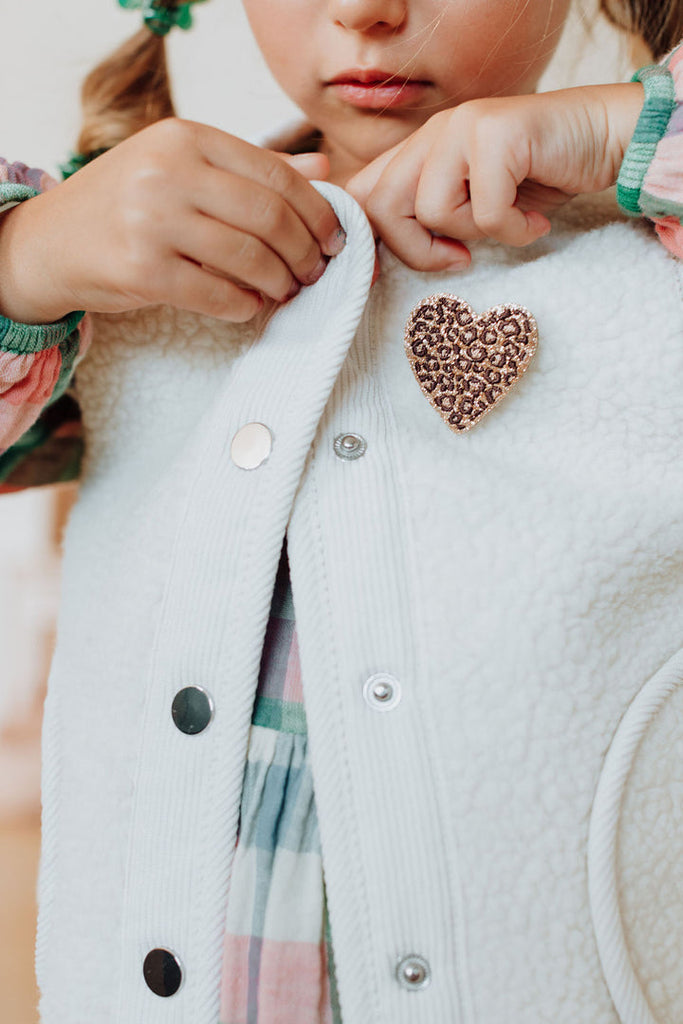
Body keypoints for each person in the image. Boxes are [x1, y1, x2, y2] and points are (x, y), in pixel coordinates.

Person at [2, 0, 683, 1020]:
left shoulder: (650, 263)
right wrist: (23, 263)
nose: (366, 10)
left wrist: (613, 132)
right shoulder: (124, 259)